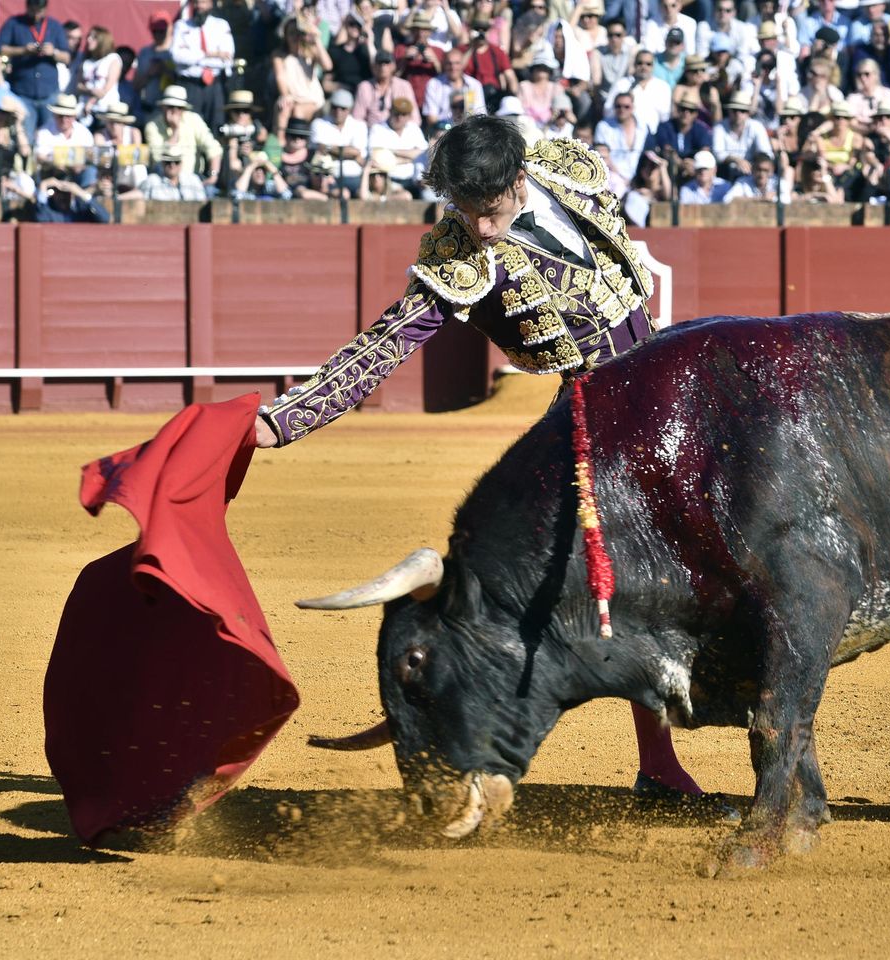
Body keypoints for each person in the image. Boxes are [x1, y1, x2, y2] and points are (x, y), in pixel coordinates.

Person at [250, 115, 711, 805]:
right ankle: (506, 735)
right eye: (463, 213)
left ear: (521, 179)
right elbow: (382, 346)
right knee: (598, 587)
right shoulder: (458, 257)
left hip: (669, 392)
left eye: (489, 211)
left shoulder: (566, 168)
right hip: (591, 425)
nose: (481, 230)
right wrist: (280, 420)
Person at [0, 0, 69, 137]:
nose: (36, 15)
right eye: (33, 10)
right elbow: (0, 48)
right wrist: (23, 50)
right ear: (27, 7)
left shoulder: (54, 26)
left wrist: (54, 52)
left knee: (50, 135)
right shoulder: (14, 23)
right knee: (25, 136)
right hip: (23, 92)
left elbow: (67, 57)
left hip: (49, 92)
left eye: (39, 11)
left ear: (45, 8)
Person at [169, 0, 234, 130]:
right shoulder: (181, 26)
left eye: (203, 2)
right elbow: (176, 56)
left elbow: (227, 59)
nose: (199, 6)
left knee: (216, 125)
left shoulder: (221, 26)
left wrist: (193, 57)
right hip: (190, 84)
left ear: (211, 4)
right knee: (189, 126)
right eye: (196, 3)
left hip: (214, 86)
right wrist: (210, 54)